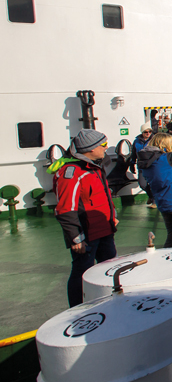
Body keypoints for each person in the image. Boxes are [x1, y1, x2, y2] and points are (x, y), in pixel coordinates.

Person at [48, 129, 119, 307]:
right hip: (87, 234)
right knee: (82, 272)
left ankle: (110, 301)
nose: (106, 148)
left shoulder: (93, 167)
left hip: (104, 229)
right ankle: (78, 309)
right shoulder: (71, 173)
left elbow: (102, 196)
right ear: (90, 148)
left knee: (109, 268)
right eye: (103, 145)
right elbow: (65, 208)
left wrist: (112, 216)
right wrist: (75, 237)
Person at [132, 124, 155, 208]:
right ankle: (151, 196)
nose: (148, 133)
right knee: (142, 184)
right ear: (142, 132)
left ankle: (154, 201)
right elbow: (134, 153)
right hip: (142, 165)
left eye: (150, 131)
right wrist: (132, 163)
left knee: (153, 183)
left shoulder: (154, 140)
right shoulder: (137, 141)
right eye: (146, 132)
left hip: (152, 165)